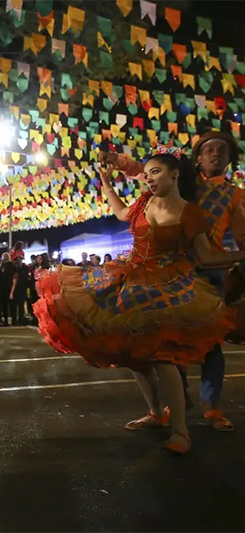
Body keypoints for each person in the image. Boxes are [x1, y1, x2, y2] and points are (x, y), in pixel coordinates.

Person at [35, 149, 245, 454]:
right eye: (146, 175)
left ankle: (181, 431)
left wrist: (242, 255)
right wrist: (107, 184)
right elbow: (122, 214)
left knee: (162, 356)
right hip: (131, 279)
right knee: (133, 353)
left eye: (155, 172)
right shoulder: (144, 202)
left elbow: (207, 256)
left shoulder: (190, 213)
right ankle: (156, 413)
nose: (148, 179)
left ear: (175, 174)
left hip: (170, 284)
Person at [107, 132, 245, 431]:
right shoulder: (182, 179)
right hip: (170, 269)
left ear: (230, 157)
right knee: (166, 341)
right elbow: (147, 171)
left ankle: (212, 407)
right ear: (198, 157)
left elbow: (241, 235)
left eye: (222, 150)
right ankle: (174, 402)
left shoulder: (236, 195)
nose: (215, 154)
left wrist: (237, 263)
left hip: (209, 269)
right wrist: (117, 161)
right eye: (209, 150)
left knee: (210, 342)